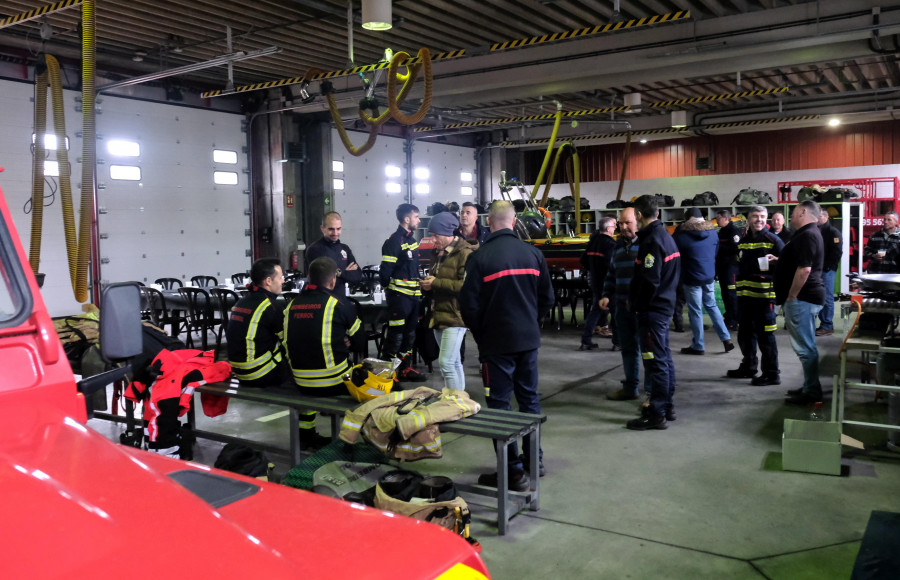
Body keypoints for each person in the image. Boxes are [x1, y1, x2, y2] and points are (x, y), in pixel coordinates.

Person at [459, 200, 554, 491]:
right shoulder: (533, 254)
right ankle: (533, 461)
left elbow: (468, 306)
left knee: (500, 406)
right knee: (529, 399)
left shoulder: (480, 258)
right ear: (515, 223)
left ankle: (512, 472)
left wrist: (483, 334)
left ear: (489, 222)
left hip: (496, 344)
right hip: (528, 341)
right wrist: (530, 323)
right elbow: (547, 299)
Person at [284, 257, 366, 449]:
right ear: (332, 281)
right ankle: (352, 438)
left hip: (300, 381)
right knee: (365, 375)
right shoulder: (339, 304)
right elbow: (360, 342)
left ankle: (306, 433)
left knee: (310, 363)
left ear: (308, 278)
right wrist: (345, 342)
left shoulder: (290, 305)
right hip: (333, 383)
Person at [626, 195, 681, 430]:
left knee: (655, 361)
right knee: (664, 358)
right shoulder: (666, 237)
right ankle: (666, 405)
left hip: (653, 310)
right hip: (664, 306)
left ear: (639, 214)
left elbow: (650, 281)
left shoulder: (652, 241)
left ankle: (657, 412)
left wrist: (637, 305)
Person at [770, 200, 826, 405]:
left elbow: (805, 269)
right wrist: (780, 261)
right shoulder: (807, 234)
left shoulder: (808, 235)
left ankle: (812, 392)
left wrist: (792, 296)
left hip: (803, 298)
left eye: (793, 212)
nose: (790, 216)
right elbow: (800, 263)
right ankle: (810, 386)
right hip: (806, 297)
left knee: (805, 348)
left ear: (803, 211)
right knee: (806, 346)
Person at [420, 212, 478, 390]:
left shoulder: (465, 254)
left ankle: (453, 403)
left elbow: (466, 285)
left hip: (455, 315)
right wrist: (430, 284)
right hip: (439, 313)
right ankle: (459, 401)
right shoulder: (438, 253)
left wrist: (436, 282)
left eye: (435, 235)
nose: (433, 239)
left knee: (445, 363)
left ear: (447, 233)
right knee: (452, 363)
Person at [727, 206, 784, 385]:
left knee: (766, 336)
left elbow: (789, 264)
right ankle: (749, 367)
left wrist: (778, 262)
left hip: (764, 298)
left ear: (766, 219)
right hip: (745, 297)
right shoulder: (743, 241)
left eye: (762, 216)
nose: (759, 220)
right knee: (745, 334)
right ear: (748, 219)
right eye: (754, 216)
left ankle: (772, 374)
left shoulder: (772, 240)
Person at [673, 207, 733, 355]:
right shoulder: (713, 233)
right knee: (712, 306)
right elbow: (716, 252)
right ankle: (726, 339)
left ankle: (698, 345)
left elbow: (674, 252)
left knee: (695, 311)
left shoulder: (682, 234)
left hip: (691, 277)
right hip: (708, 276)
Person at [599, 208, 644, 401]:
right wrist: (607, 294)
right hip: (621, 307)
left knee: (649, 352)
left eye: (628, 223)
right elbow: (611, 273)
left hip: (642, 309)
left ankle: (651, 391)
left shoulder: (646, 246)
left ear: (638, 222)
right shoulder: (617, 246)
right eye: (621, 223)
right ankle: (630, 387)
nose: (623, 227)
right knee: (628, 348)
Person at [380, 203, 427, 381]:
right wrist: (391, 293)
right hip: (399, 299)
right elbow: (385, 273)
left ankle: (405, 369)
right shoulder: (393, 241)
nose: (419, 220)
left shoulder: (412, 242)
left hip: (414, 298)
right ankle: (388, 376)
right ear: (407, 219)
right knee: (395, 337)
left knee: (410, 335)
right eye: (416, 217)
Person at [226, 258, 288, 387]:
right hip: (260, 374)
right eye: (281, 277)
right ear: (268, 281)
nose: (283, 281)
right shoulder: (271, 306)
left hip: (238, 371)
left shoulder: (242, 301)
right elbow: (288, 343)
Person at [579, 216, 617, 349]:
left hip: (595, 282)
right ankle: (617, 343)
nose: (616, 227)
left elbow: (583, 260)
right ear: (608, 228)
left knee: (595, 310)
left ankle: (586, 340)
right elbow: (611, 266)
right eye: (614, 225)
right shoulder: (611, 244)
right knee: (615, 311)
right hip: (607, 284)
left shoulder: (593, 242)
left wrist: (594, 270)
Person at [305, 211, 361, 297]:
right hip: (321, 299)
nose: (335, 233)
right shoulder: (315, 249)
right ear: (322, 228)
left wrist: (338, 273)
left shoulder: (345, 249)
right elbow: (322, 277)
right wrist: (344, 273)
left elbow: (357, 276)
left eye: (338, 229)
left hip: (341, 299)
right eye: (331, 229)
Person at [816, 210, 843, 336]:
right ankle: (823, 324)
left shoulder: (833, 232)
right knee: (819, 297)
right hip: (817, 269)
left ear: (826, 217)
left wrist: (828, 267)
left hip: (827, 270)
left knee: (827, 298)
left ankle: (827, 326)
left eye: (820, 216)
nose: (817, 218)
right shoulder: (816, 230)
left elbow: (837, 253)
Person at [715, 209, 741, 331]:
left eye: (718, 217)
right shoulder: (721, 231)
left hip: (732, 268)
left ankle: (735, 320)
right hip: (722, 267)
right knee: (725, 294)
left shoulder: (733, 231)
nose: (716, 220)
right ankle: (729, 316)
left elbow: (736, 248)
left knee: (732, 294)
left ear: (726, 218)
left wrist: (719, 247)